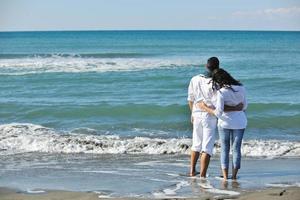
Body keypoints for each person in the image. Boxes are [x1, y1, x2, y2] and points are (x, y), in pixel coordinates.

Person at [187, 57, 242, 178]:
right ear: (217, 67)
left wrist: (192, 113)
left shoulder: (194, 79)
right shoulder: (215, 82)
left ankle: (192, 171)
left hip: (196, 114)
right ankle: (202, 175)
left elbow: (190, 99)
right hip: (209, 115)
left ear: (206, 66)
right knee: (207, 147)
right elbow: (219, 106)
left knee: (196, 144)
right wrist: (235, 107)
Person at [198, 68, 247, 180]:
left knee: (225, 149)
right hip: (240, 122)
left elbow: (218, 113)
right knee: (236, 149)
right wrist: (235, 108)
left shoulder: (221, 92)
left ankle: (225, 177)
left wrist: (205, 107)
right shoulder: (241, 88)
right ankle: (234, 176)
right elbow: (244, 106)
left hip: (225, 123)